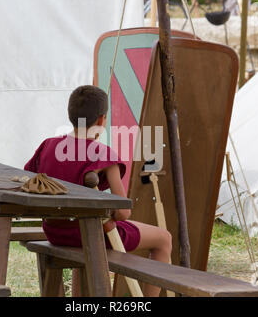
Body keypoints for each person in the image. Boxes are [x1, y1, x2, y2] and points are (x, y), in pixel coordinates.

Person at [24, 85, 172, 297]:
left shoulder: (48, 146)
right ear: (102, 120)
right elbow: (123, 212)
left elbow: (30, 180)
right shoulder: (103, 154)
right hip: (88, 235)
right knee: (163, 239)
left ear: (71, 115)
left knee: (86, 226)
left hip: (55, 231)